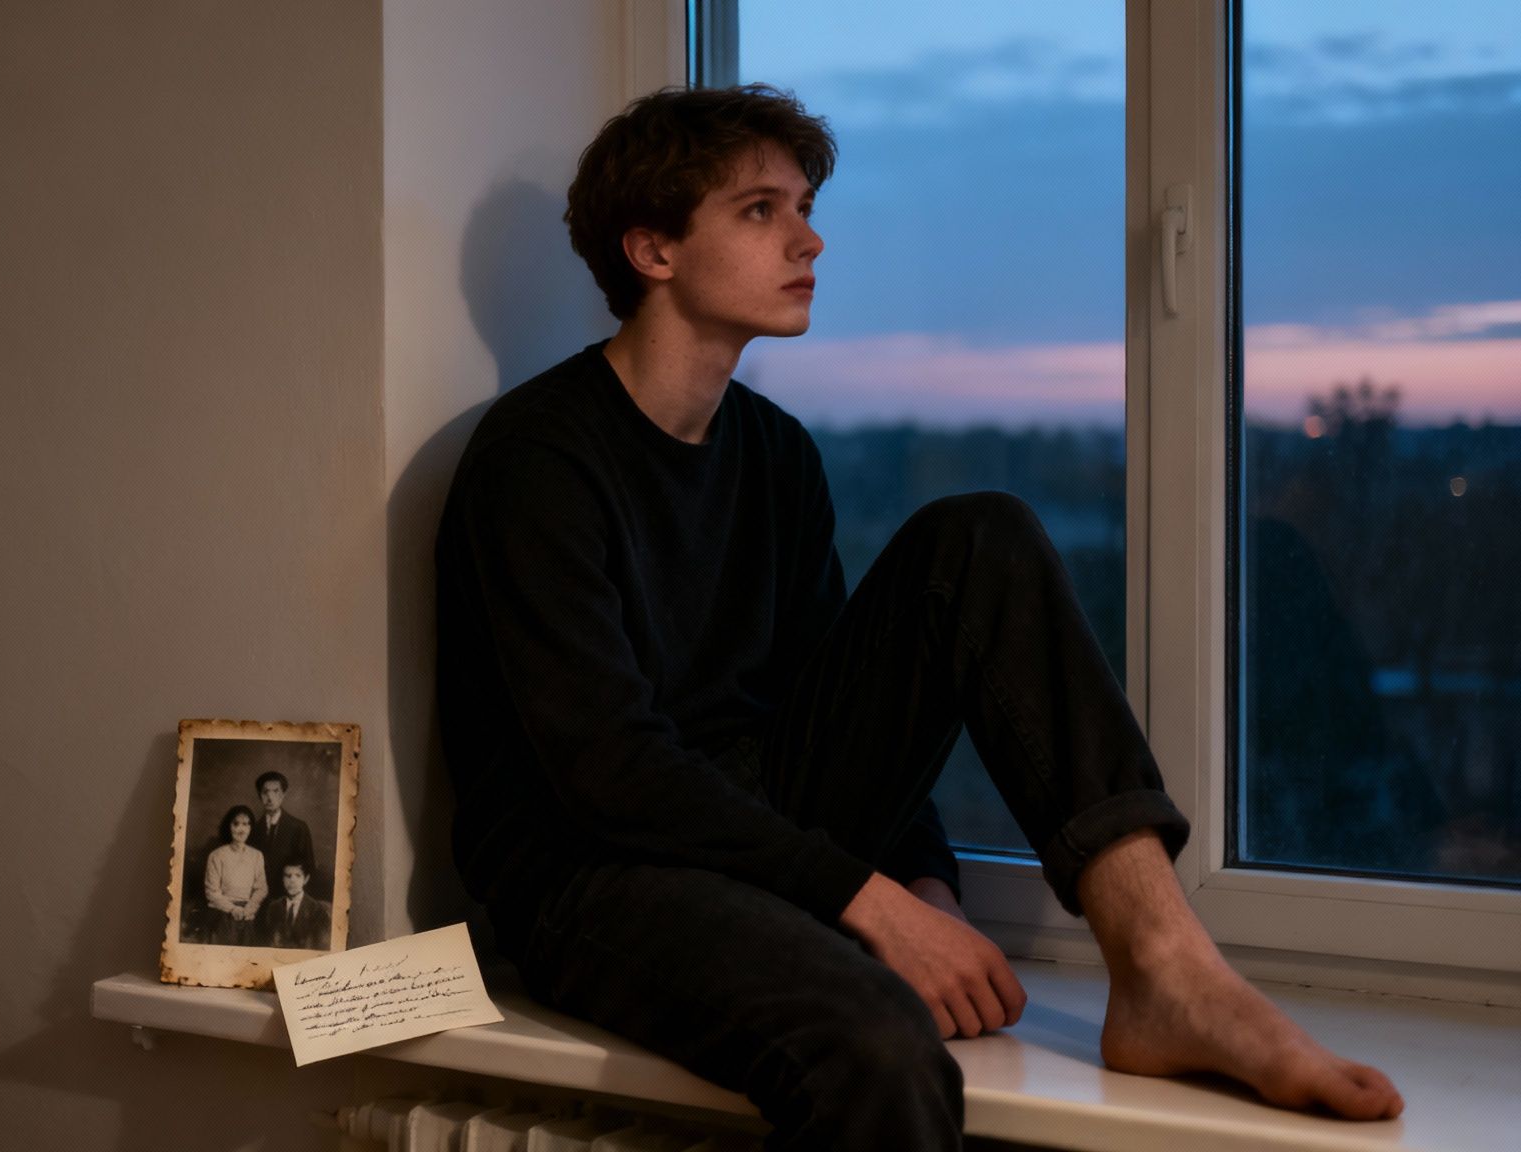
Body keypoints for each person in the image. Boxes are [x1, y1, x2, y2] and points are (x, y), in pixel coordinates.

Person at [433, 84, 1404, 1150]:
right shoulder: (537, 460)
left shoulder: (775, 454)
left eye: (802, 204)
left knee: (977, 533)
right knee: (874, 1042)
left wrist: (926, 885)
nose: (808, 237)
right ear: (652, 249)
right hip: (591, 875)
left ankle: (1167, 967)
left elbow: (830, 702)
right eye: (760, 210)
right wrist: (867, 901)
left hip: (754, 828)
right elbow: (606, 771)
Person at [201, 804, 266, 946]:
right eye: (236, 824)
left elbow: (261, 888)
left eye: (246, 824)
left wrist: (249, 908)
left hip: (247, 913)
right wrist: (233, 909)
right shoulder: (217, 855)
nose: (241, 829)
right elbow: (212, 892)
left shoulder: (257, 856)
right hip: (222, 912)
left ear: (251, 828)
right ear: (228, 826)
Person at [247, 771, 319, 897]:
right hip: (257, 899)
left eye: (276, 791)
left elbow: (308, 869)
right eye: (265, 792)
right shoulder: (252, 830)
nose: (270, 797)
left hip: (289, 898)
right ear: (260, 795)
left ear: (283, 795)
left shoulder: (298, 828)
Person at [256, 861, 333, 951]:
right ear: (283, 879)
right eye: (288, 876)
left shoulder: (317, 910)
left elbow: (320, 946)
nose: (292, 881)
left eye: (298, 875)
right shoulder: (273, 907)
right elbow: (268, 943)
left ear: (306, 879)